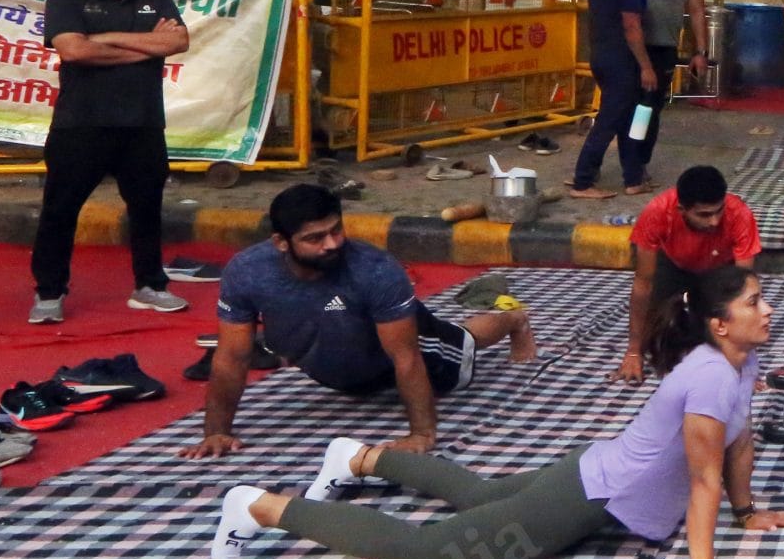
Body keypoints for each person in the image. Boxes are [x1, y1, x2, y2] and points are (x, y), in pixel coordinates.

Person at [209, 264, 784, 559]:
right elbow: (703, 478)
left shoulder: (740, 359)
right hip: (592, 495)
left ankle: (359, 458)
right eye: (754, 302)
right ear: (718, 325)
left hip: (593, 471)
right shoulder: (708, 377)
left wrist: (746, 511)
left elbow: (741, 440)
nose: (769, 309)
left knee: (480, 493)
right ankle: (258, 506)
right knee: (419, 550)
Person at [182, 183, 538, 457]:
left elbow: (406, 357)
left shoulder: (374, 270)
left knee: (462, 345)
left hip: (402, 350)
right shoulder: (246, 272)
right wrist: (215, 431)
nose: (332, 243)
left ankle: (512, 320)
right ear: (281, 242)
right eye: (315, 238)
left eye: (336, 230)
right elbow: (231, 358)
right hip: (343, 369)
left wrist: (421, 434)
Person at [30, 0, 191, 325]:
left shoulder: (156, 1)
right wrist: (143, 47)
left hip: (143, 125)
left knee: (147, 210)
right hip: (80, 125)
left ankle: (150, 285)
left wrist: (105, 39)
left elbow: (176, 43)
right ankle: (49, 293)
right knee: (59, 211)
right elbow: (74, 50)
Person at [617, 165, 761, 383]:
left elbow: (742, 288)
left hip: (718, 270)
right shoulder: (657, 211)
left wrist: (741, 362)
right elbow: (643, 285)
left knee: (715, 331)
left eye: (718, 211)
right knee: (661, 334)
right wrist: (634, 351)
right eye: (704, 215)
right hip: (673, 264)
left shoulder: (738, 213)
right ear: (681, 209)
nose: (714, 221)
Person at [570, 0, 656, 200]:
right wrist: (646, 66)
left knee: (629, 119)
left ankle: (632, 178)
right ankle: (583, 181)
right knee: (609, 121)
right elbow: (631, 26)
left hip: (601, 56)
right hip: (623, 61)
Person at [634, 0, 709, 173]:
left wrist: (699, 51)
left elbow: (698, 11)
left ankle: (638, 164)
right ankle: (601, 164)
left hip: (662, 48)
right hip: (630, 47)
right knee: (620, 108)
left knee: (648, 109)